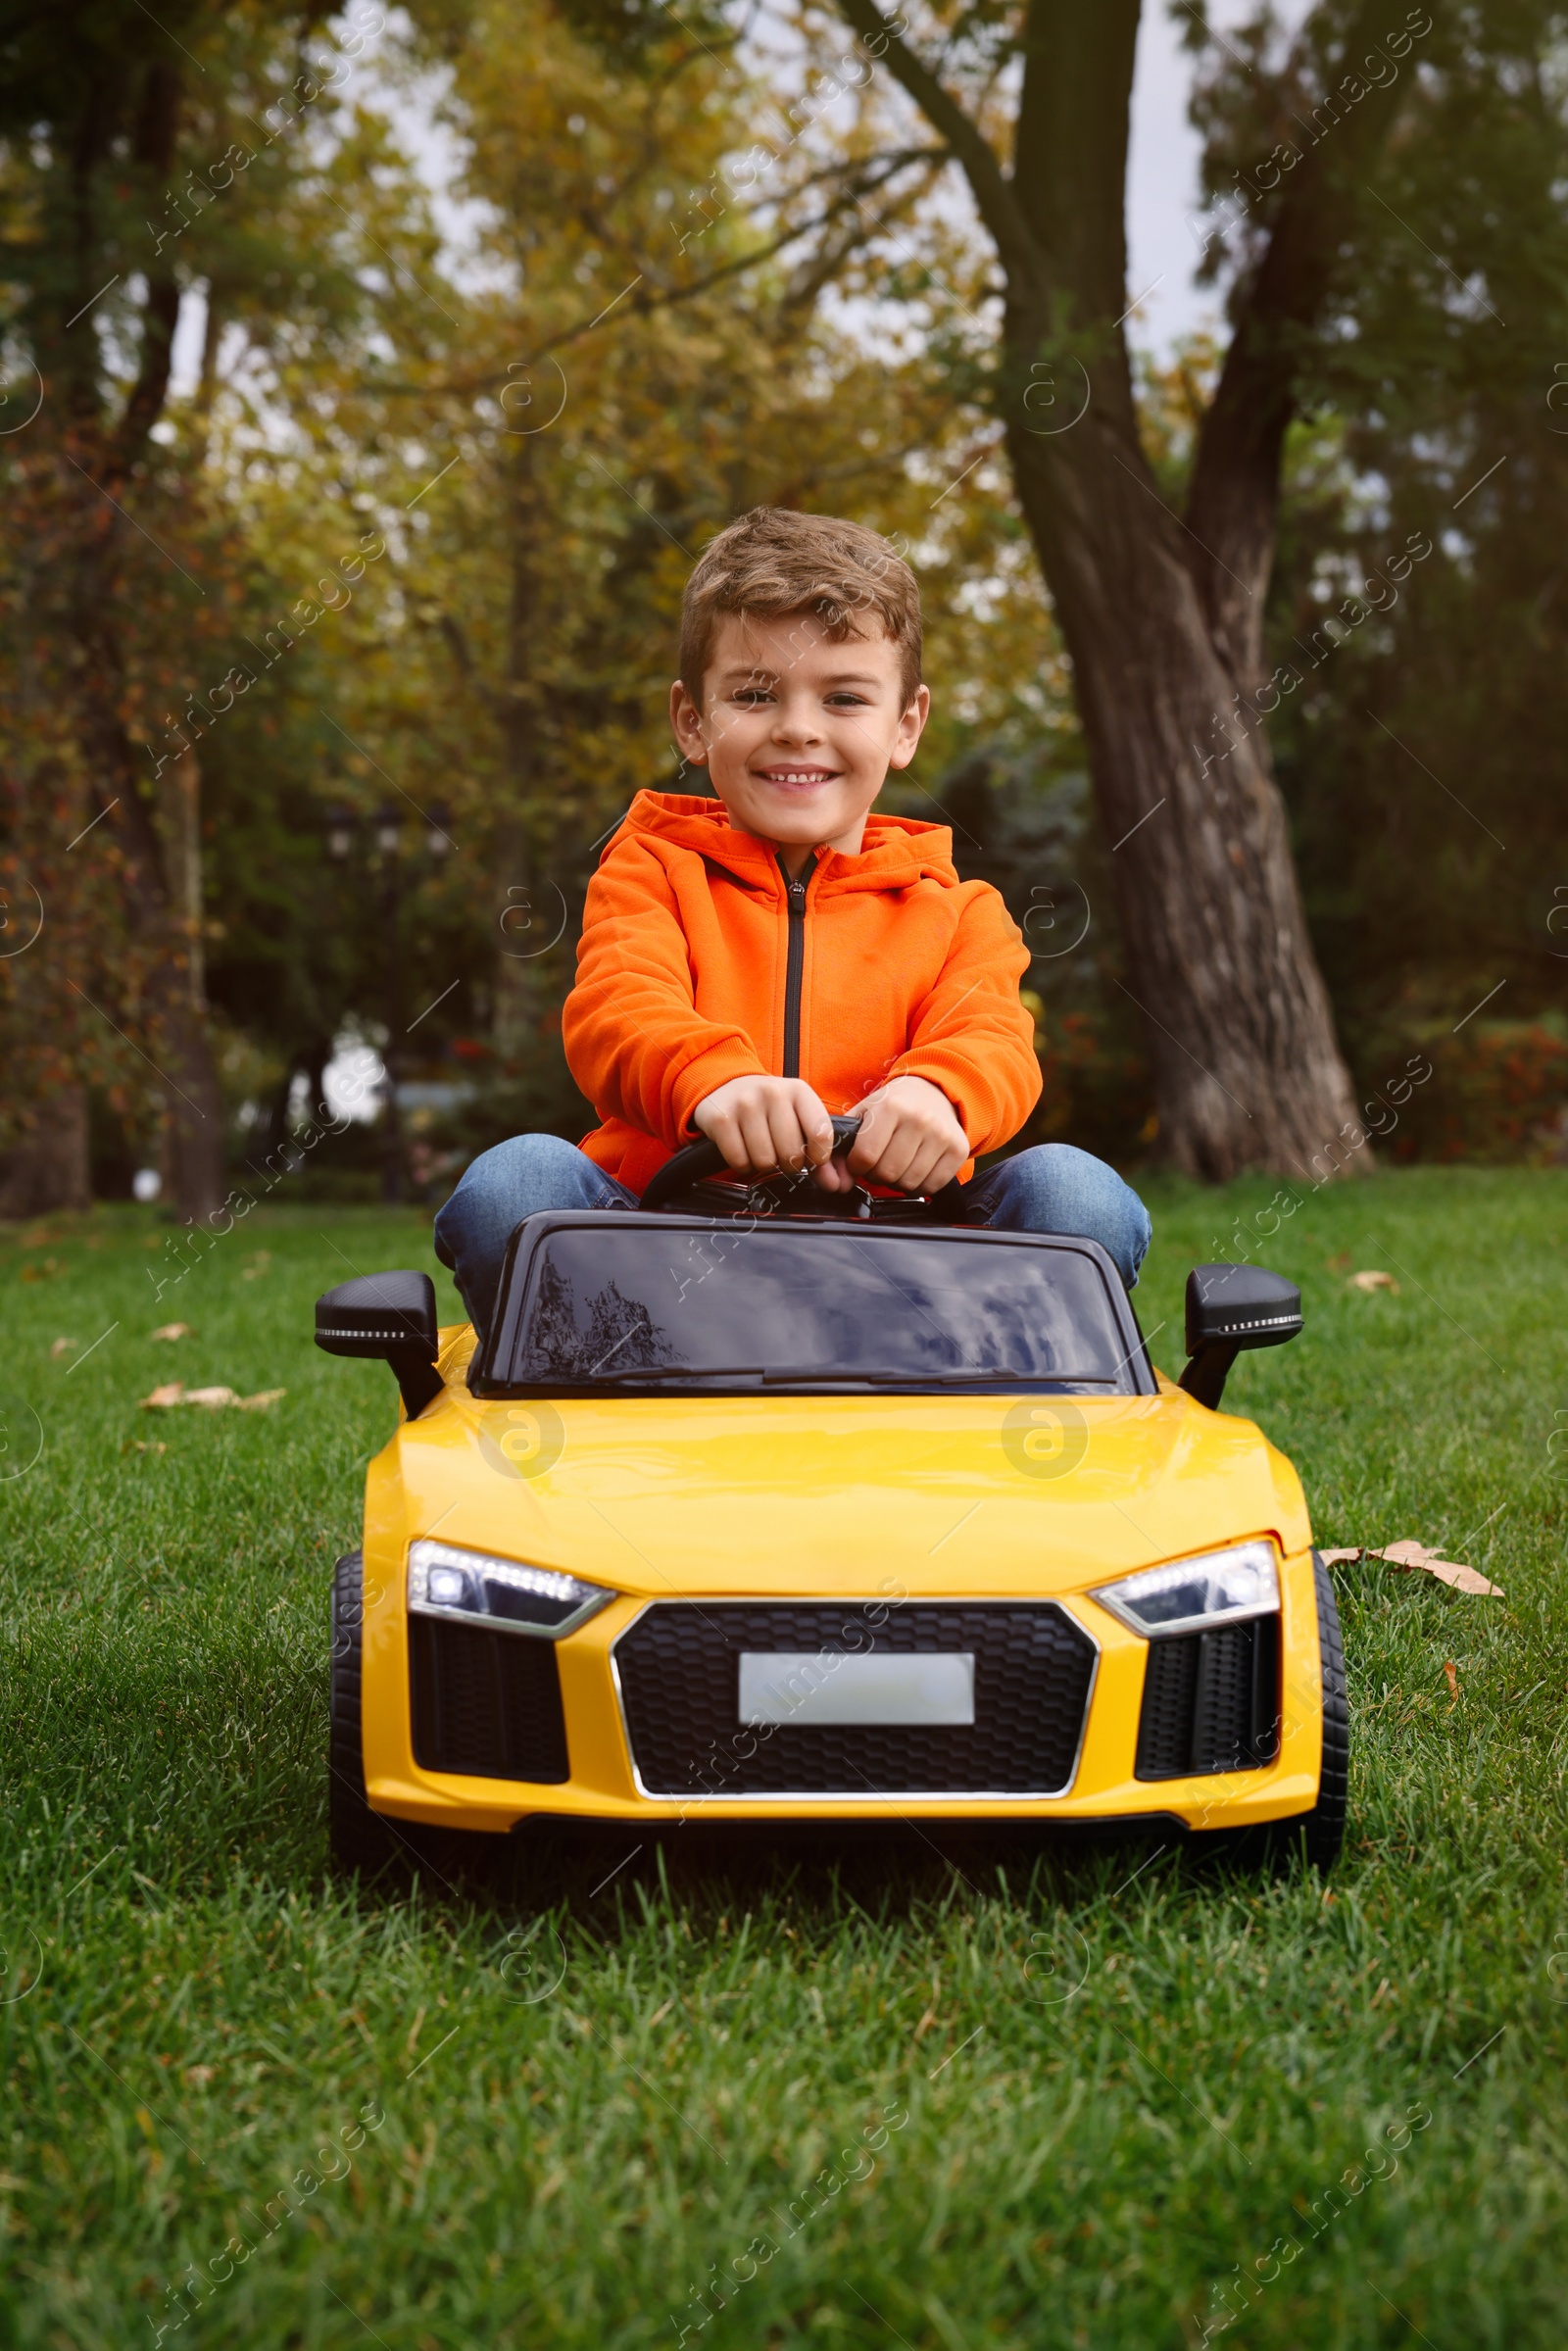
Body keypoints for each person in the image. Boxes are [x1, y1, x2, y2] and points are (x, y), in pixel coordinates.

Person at [434, 508, 1151, 1341]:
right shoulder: (649, 872)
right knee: (512, 1183)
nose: (798, 726)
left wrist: (935, 1091)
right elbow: (619, 1009)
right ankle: (598, 1385)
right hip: (666, 1266)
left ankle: (997, 1401)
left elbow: (992, 1037)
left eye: (844, 696)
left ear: (906, 724)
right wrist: (716, 1085)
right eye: (753, 694)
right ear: (693, 720)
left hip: (906, 1267)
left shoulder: (960, 911)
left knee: (1078, 1192)